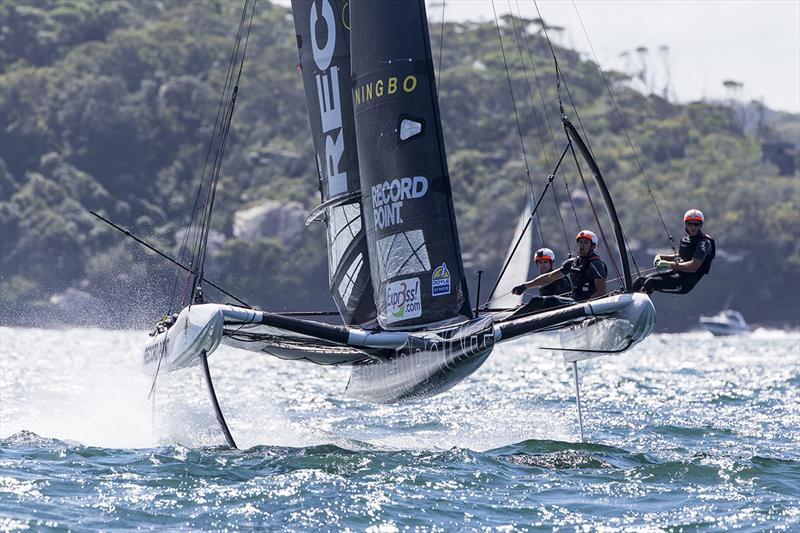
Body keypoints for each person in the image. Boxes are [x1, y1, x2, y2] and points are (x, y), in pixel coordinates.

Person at [632, 209, 715, 295]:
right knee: (640, 281)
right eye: (690, 224)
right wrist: (660, 257)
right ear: (686, 224)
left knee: (650, 283)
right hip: (676, 273)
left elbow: (693, 266)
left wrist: (668, 264)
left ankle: (639, 304)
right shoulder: (686, 239)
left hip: (684, 283)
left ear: (700, 225)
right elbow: (681, 256)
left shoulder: (704, 243)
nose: (693, 227)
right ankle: (626, 296)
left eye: (696, 224)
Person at [512, 230, 608, 304]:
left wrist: (584, 306)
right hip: (573, 301)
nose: (582, 245)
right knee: (536, 301)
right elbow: (550, 277)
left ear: (593, 247)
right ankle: (504, 322)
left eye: (586, 243)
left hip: (585, 303)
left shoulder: (596, 264)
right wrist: (525, 286)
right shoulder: (572, 262)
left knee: (549, 301)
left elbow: (601, 292)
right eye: (580, 242)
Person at [507, 247, 572, 317]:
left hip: (563, 313)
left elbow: (555, 302)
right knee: (534, 302)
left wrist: (533, 306)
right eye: (539, 263)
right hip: (550, 312)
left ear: (551, 263)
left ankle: (506, 321)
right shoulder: (540, 282)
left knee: (535, 301)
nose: (542, 265)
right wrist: (527, 306)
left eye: (545, 262)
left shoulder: (559, 278)